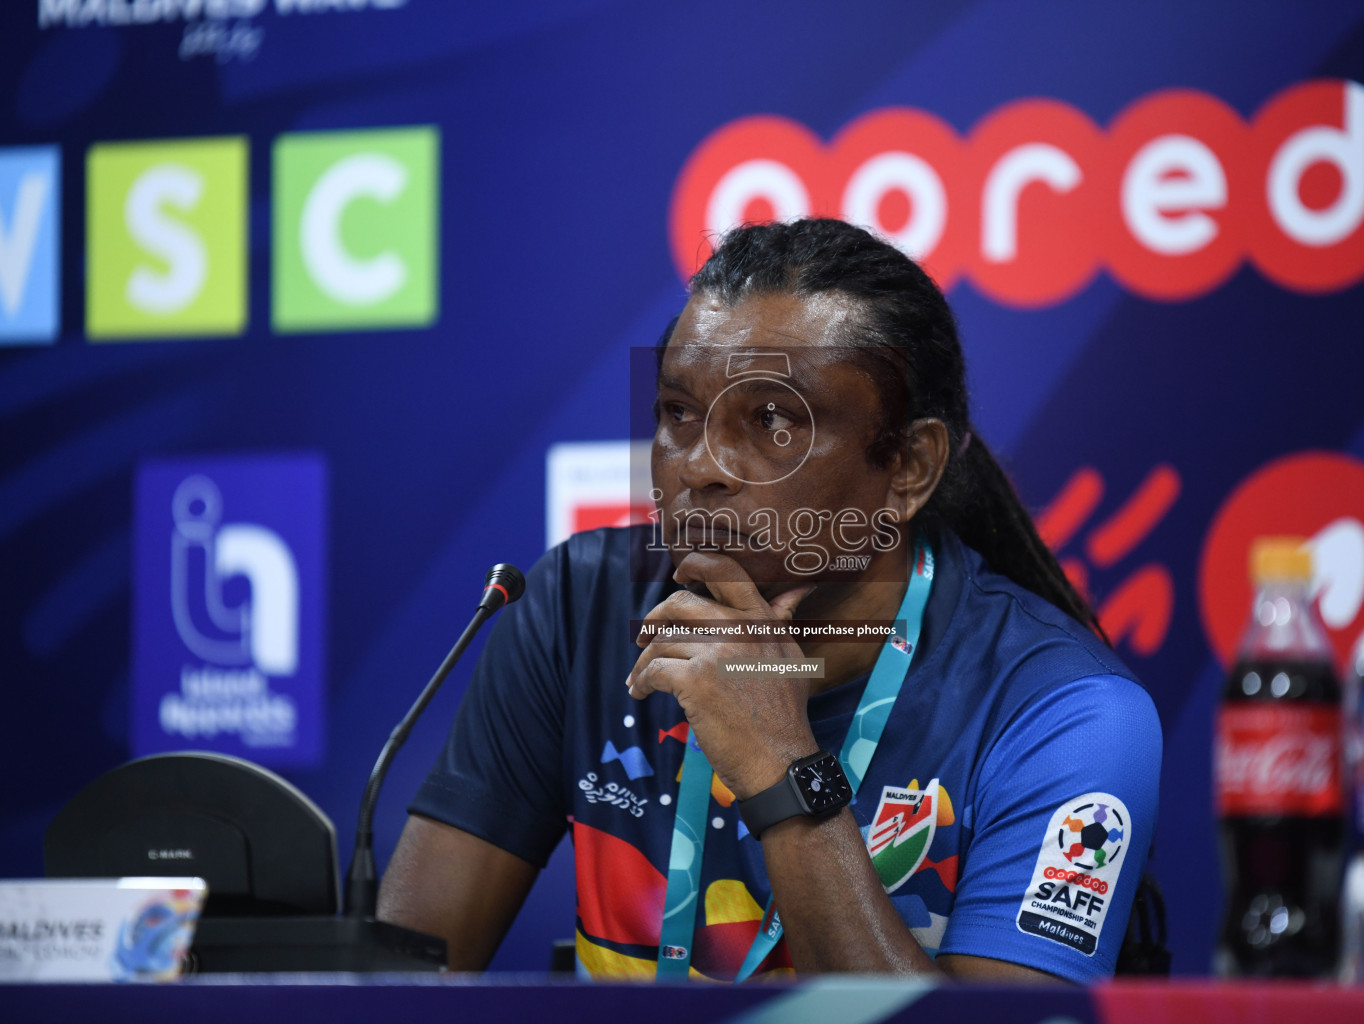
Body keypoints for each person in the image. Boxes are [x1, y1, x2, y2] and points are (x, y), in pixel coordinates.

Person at [379, 218, 1162, 983]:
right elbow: (389, 994)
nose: (702, 466)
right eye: (678, 414)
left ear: (909, 469)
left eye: (775, 422)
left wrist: (784, 766)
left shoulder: (1070, 713)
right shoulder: (576, 611)